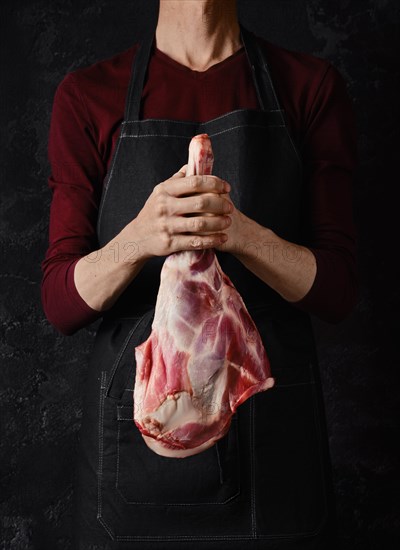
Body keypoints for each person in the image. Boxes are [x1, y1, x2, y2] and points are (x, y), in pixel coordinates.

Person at [41, 1, 358, 548]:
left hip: (273, 444)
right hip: (138, 448)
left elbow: (337, 290)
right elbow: (60, 302)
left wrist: (239, 233)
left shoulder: (307, 86)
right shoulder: (89, 94)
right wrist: (142, 237)